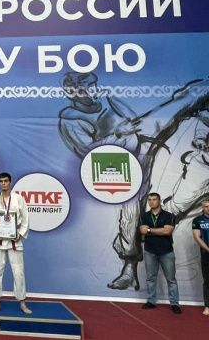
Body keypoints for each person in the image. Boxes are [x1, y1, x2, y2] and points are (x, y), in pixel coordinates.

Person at [58, 72, 209, 290]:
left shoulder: (106, 97)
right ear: (73, 93)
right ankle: (129, 269)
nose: (94, 90)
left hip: (140, 138)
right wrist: (119, 135)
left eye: (94, 85)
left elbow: (132, 117)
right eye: (88, 87)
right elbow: (89, 154)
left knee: (181, 101)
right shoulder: (69, 120)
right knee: (130, 215)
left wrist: (131, 124)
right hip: (119, 162)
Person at [0, 172, 32, 314]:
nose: (4, 183)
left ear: (10, 182)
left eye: (6, 181)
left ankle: (22, 302)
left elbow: (26, 218)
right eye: (1, 181)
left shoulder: (18, 198)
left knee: (18, 271)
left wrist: (20, 234)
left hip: (14, 239)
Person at [139, 192, 181, 313]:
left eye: (154, 199)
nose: (151, 202)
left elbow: (167, 231)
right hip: (150, 251)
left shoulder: (169, 215)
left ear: (159, 201)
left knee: (171, 279)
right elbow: (142, 230)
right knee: (150, 278)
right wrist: (159, 230)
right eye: (149, 200)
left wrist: (149, 230)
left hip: (166, 251)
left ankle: (174, 303)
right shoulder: (144, 216)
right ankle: (151, 301)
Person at [191, 199, 209, 316]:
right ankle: (207, 306)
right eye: (206, 206)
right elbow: (197, 237)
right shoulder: (197, 220)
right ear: (202, 208)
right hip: (206, 255)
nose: (208, 208)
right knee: (207, 281)